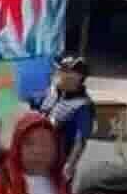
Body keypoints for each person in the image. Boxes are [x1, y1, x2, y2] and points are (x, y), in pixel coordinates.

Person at [37, 55, 95, 185]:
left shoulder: (83, 106)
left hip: (58, 163)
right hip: (37, 157)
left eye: (62, 71)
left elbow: (80, 142)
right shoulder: (52, 93)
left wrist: (69, 165)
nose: (58, 74)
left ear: (77, 77)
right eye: (58, 71)